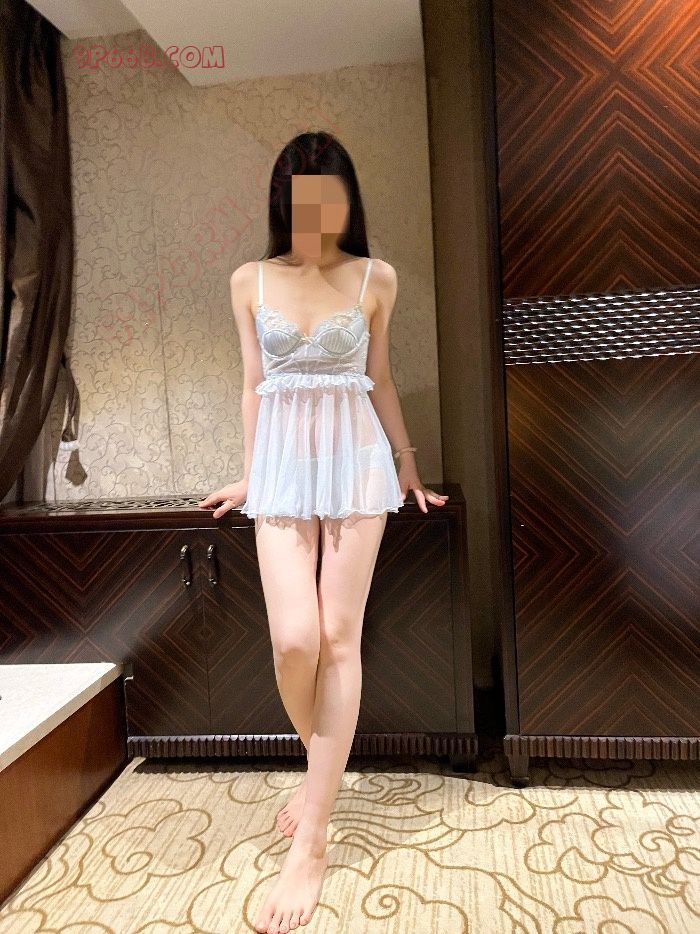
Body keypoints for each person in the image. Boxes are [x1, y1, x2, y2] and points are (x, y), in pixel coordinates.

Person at [198, 131, 448, 933]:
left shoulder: (378, 277)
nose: (315, 211)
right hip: (282, 470)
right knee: (293, 641)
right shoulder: (249, 279)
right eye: (301, 196)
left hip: (356, 465)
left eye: (328, 195)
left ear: (346, 198)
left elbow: (379, 377)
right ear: (283, 201)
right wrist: (250, 473)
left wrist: (407, 467)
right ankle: (322, 777)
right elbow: (253, 384)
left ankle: (312, 838)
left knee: (339, 638)